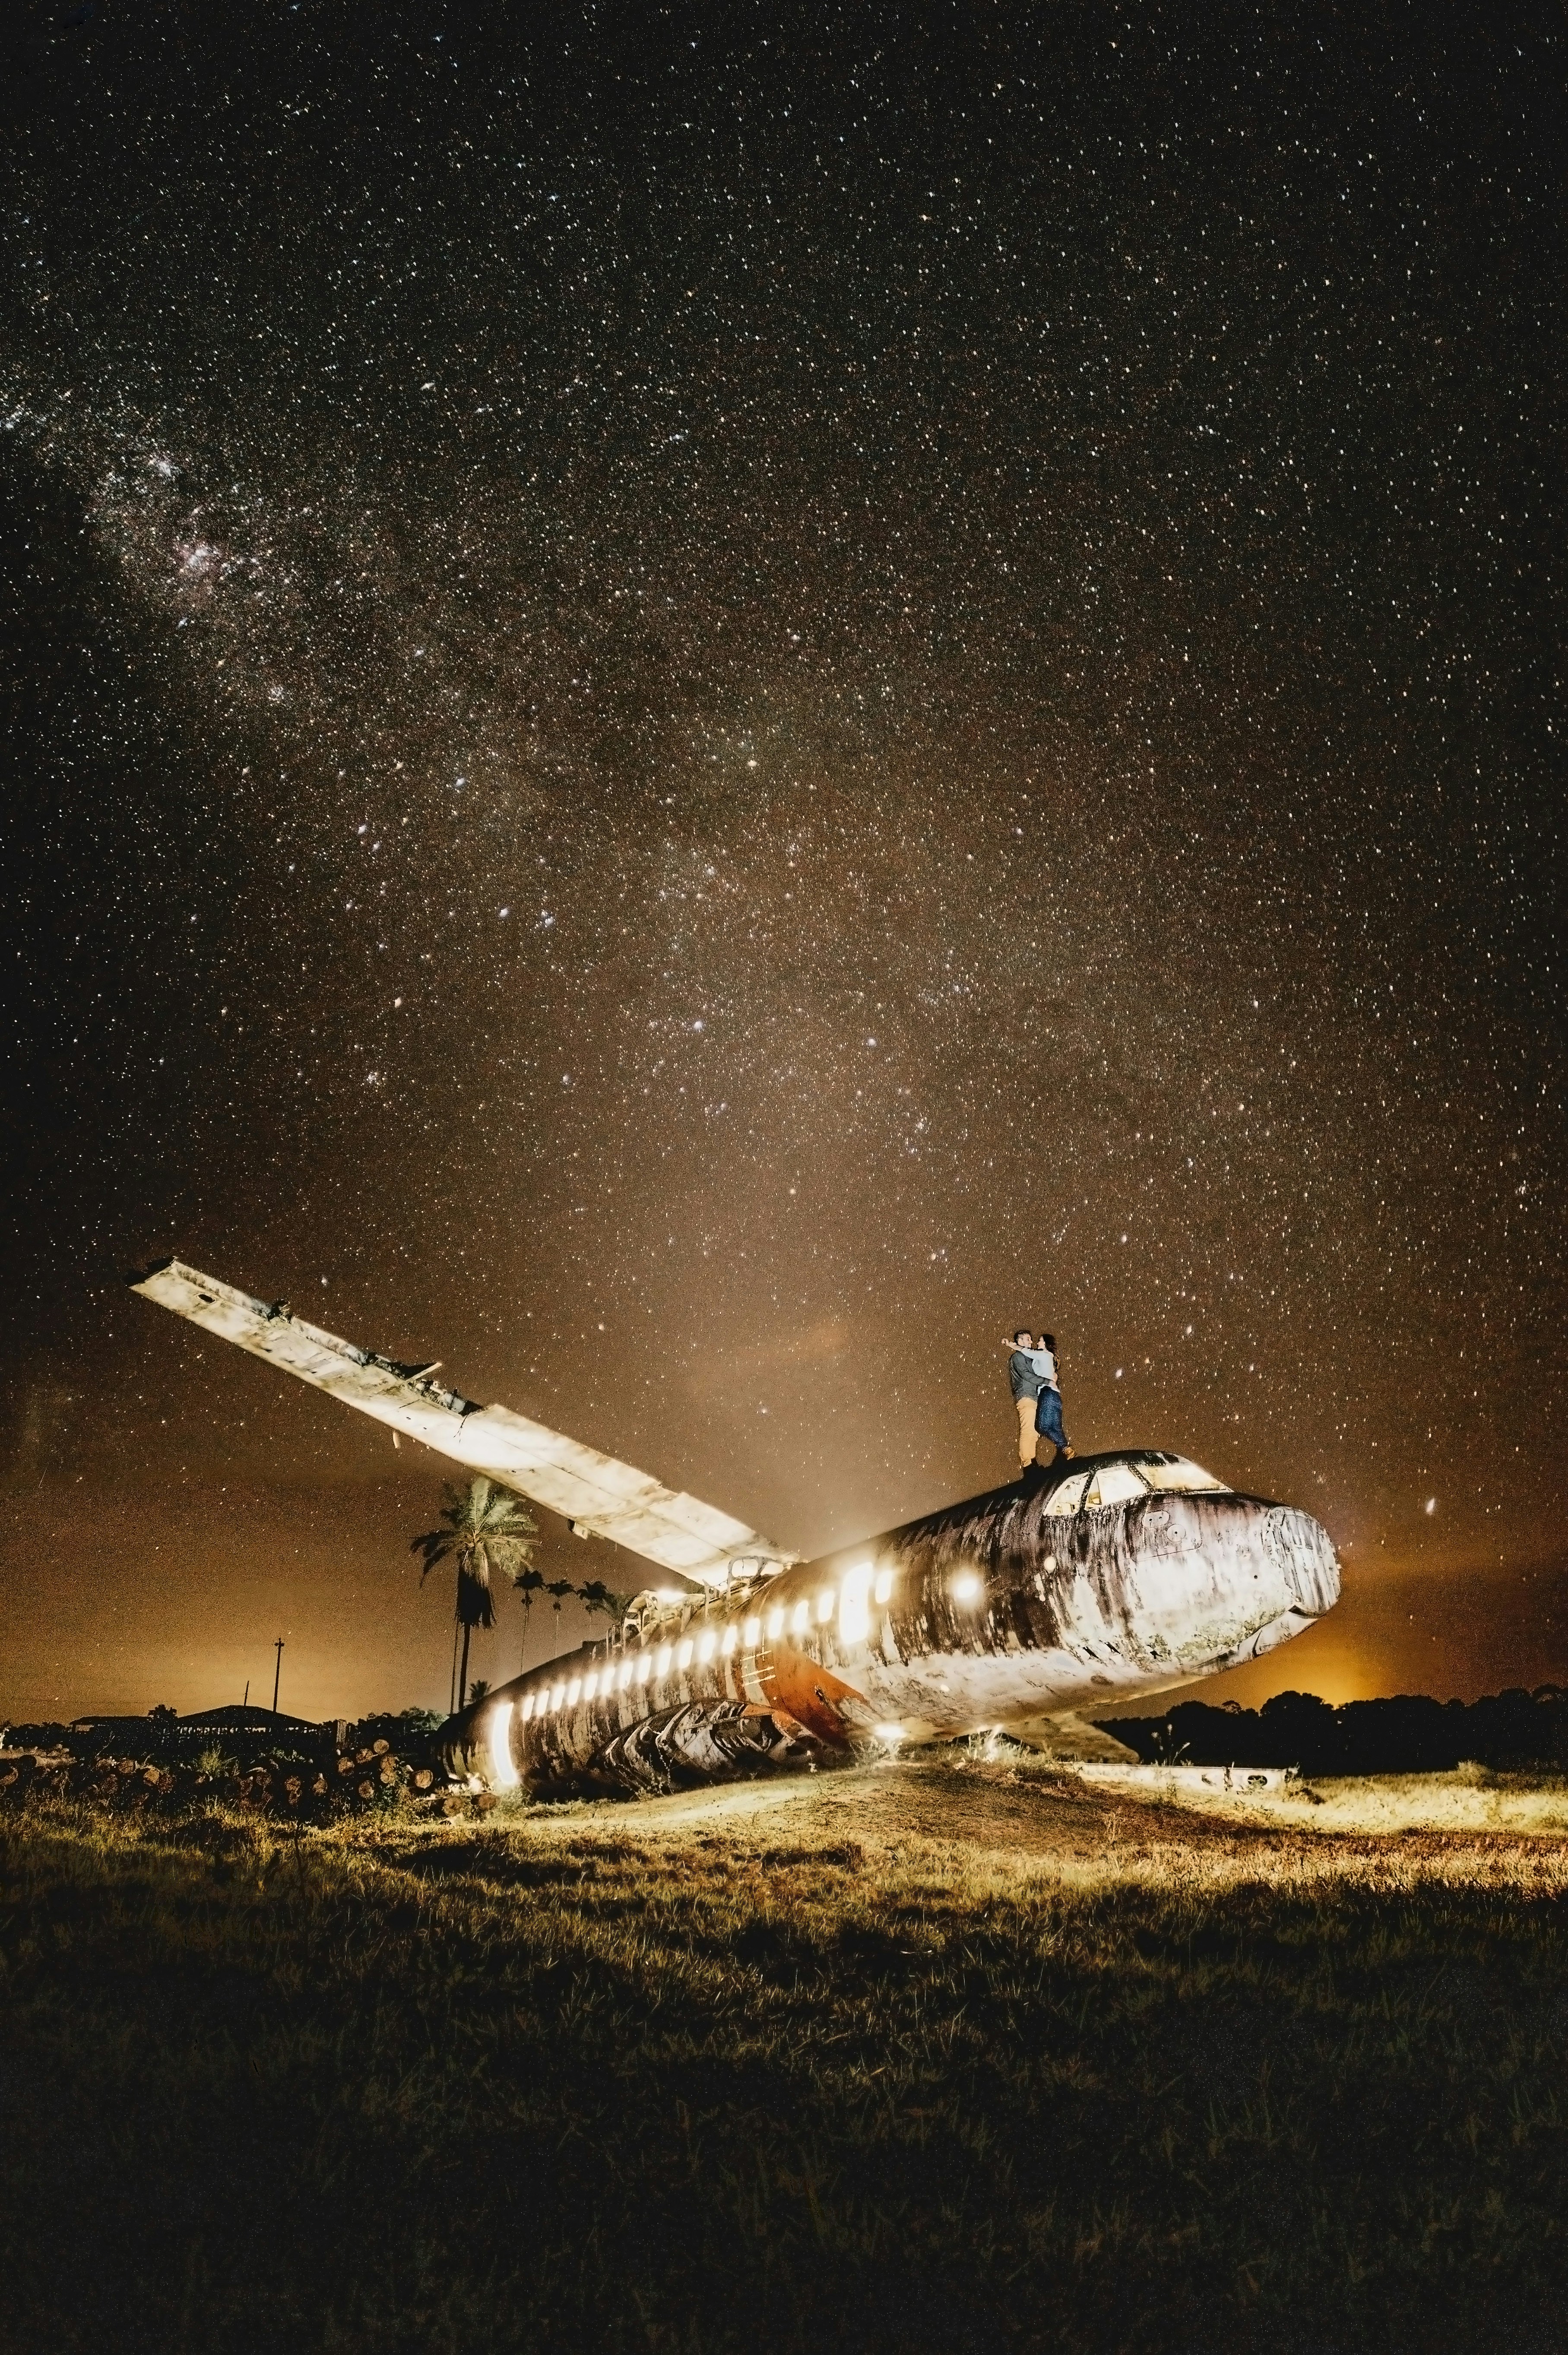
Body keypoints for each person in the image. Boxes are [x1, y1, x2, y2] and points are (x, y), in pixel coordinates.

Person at [1031, 1332, 1074, 1466]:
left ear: (1046, 1344)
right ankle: (1063, 1454)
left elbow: (1026, 1353)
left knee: (1043, 1427)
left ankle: (1065, 1448)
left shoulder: (1044, 1355)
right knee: (1055, 1428)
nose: (1037, 1343)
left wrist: (1013, 1345)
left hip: (1048, 1394)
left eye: (1040, 1341)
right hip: (1054, 1396)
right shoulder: (1049, 1359)